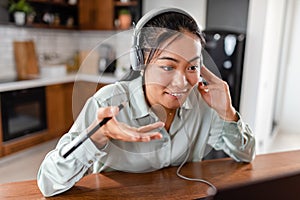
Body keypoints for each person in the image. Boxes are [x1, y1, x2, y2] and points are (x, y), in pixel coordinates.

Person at [37, 7, 255, 197]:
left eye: (192, 67)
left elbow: (246, 155)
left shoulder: (203, 103)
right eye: (168, 67)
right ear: (140, 63)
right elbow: (48, 182)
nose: (181, 82)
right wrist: (96, 136)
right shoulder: (108, 103)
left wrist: (228, 113)